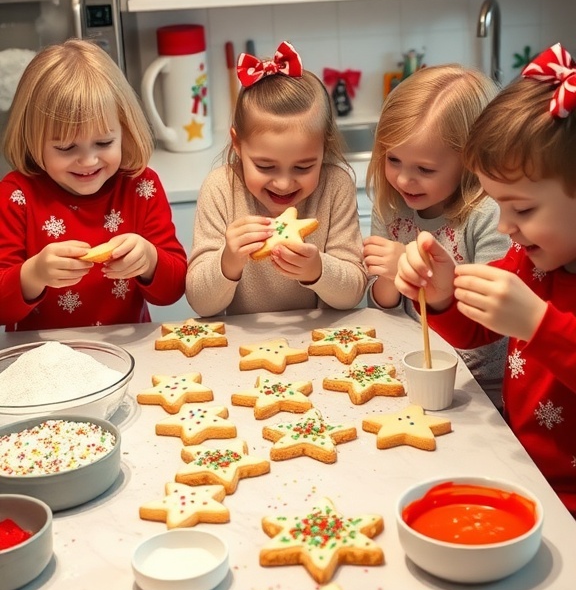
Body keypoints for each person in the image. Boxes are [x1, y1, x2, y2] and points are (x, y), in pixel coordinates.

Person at [394, 43, 576, 514]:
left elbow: (540, 332)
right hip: (524, 467)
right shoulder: (532, 259)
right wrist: (443, 294)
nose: (503, 226)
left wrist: (540, 326)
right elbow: (479, 329)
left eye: (523, 208)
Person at [0, 39, 186, 330]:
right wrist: (33, 274)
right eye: (66, 148)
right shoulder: (16, 196)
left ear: (124, 130)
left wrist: (150, 260)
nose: (88, 161)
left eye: (103, 142)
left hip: (126, 353)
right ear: (32, 140)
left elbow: (173, 290)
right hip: (41, 359)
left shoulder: (141, 186)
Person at [363, 64, 509, 406]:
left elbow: (494, 324)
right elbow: (380, 305)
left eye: (424, 170)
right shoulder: (391, 206)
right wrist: (390, 278)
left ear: (471, 160)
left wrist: (422, 274)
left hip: (484, 390)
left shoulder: (488, 214)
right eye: (393, 160)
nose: (403, 180)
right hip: (414, 371)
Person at [186, 41, 367, 316]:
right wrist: (228, 261)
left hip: (317, 340)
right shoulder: (220, 189)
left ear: (324, 150)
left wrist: (318, 270)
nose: (283, 184)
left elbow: (353, 293)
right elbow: (200, 303)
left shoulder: (335, 187)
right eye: (265, 166)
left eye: (303, 167)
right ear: (238, 145)